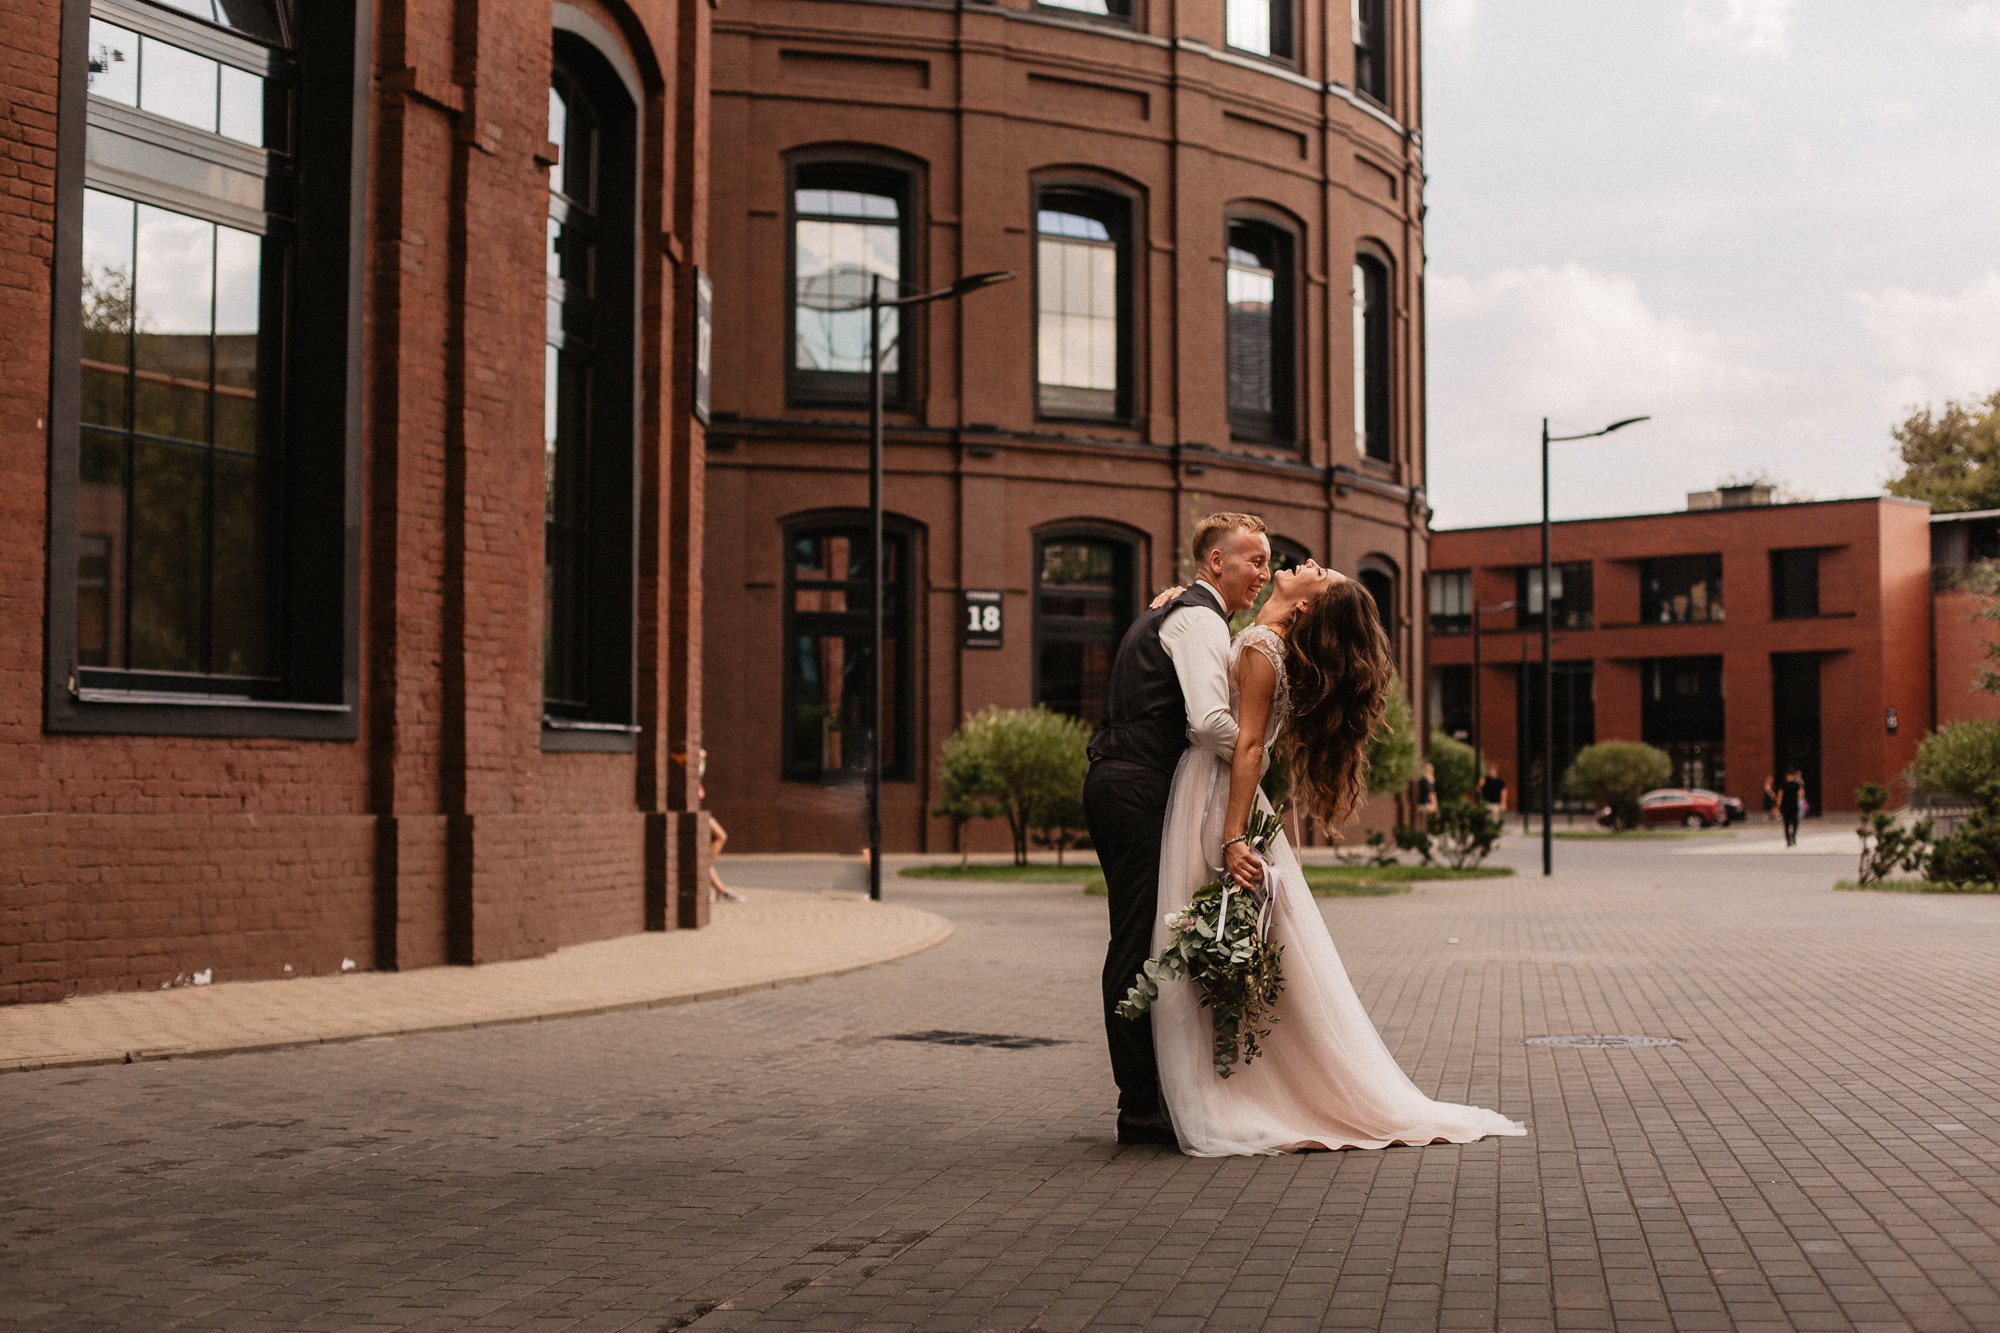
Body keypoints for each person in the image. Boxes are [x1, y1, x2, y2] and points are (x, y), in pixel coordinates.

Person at [1148, 566, 1526, 1155]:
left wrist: (1232, 836)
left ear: (1308, 608)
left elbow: (1248, 746)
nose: (1307, 566)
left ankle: (1243, 1091)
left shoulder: (1261, 646)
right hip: (1230, 793)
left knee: (1219, 934)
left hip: (1222, 796)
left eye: (1318, 575)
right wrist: (1184, 601)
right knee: (1249, 946)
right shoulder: (1261, 637)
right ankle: (1255, 1080)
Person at [1084, 513, 1271, 1147]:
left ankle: (1153, 1094)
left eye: (1268, 562)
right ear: (1216, 563)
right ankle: (1139, 1105)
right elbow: (1207, 724)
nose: (1264, 573)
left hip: (1132, 782)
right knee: (1135, 940)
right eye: (1254, 560)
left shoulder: (1191, 613)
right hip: (1133, 784)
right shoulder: (1196, 619)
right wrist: (1261, 751)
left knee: (1146, 936)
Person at [1779, 766, 1805, 847]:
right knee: (1795, 823)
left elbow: (1780, 795)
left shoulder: (1783, 784)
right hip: (1793, 805)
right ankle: (1793, 836)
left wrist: (1778, 805)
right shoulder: (1796, 784)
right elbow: (1802, 793)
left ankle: (1788, 840)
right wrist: (1800, 799)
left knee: (1786, 824)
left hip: (1785, 806)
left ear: (1786, 775)